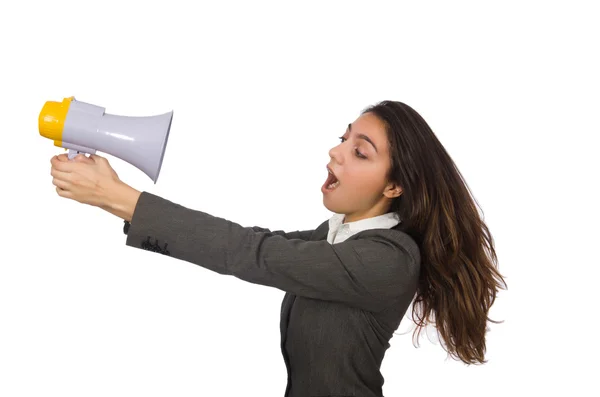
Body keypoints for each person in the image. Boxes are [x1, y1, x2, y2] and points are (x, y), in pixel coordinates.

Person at [49, 100, 507, 397]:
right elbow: (253, 239)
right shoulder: (338, 237)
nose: (336, 151)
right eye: (344, 136)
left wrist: (120, 196)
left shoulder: (386, 258)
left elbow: (253, 253)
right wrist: (115, 202)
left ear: (395, 186)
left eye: (360, 152)